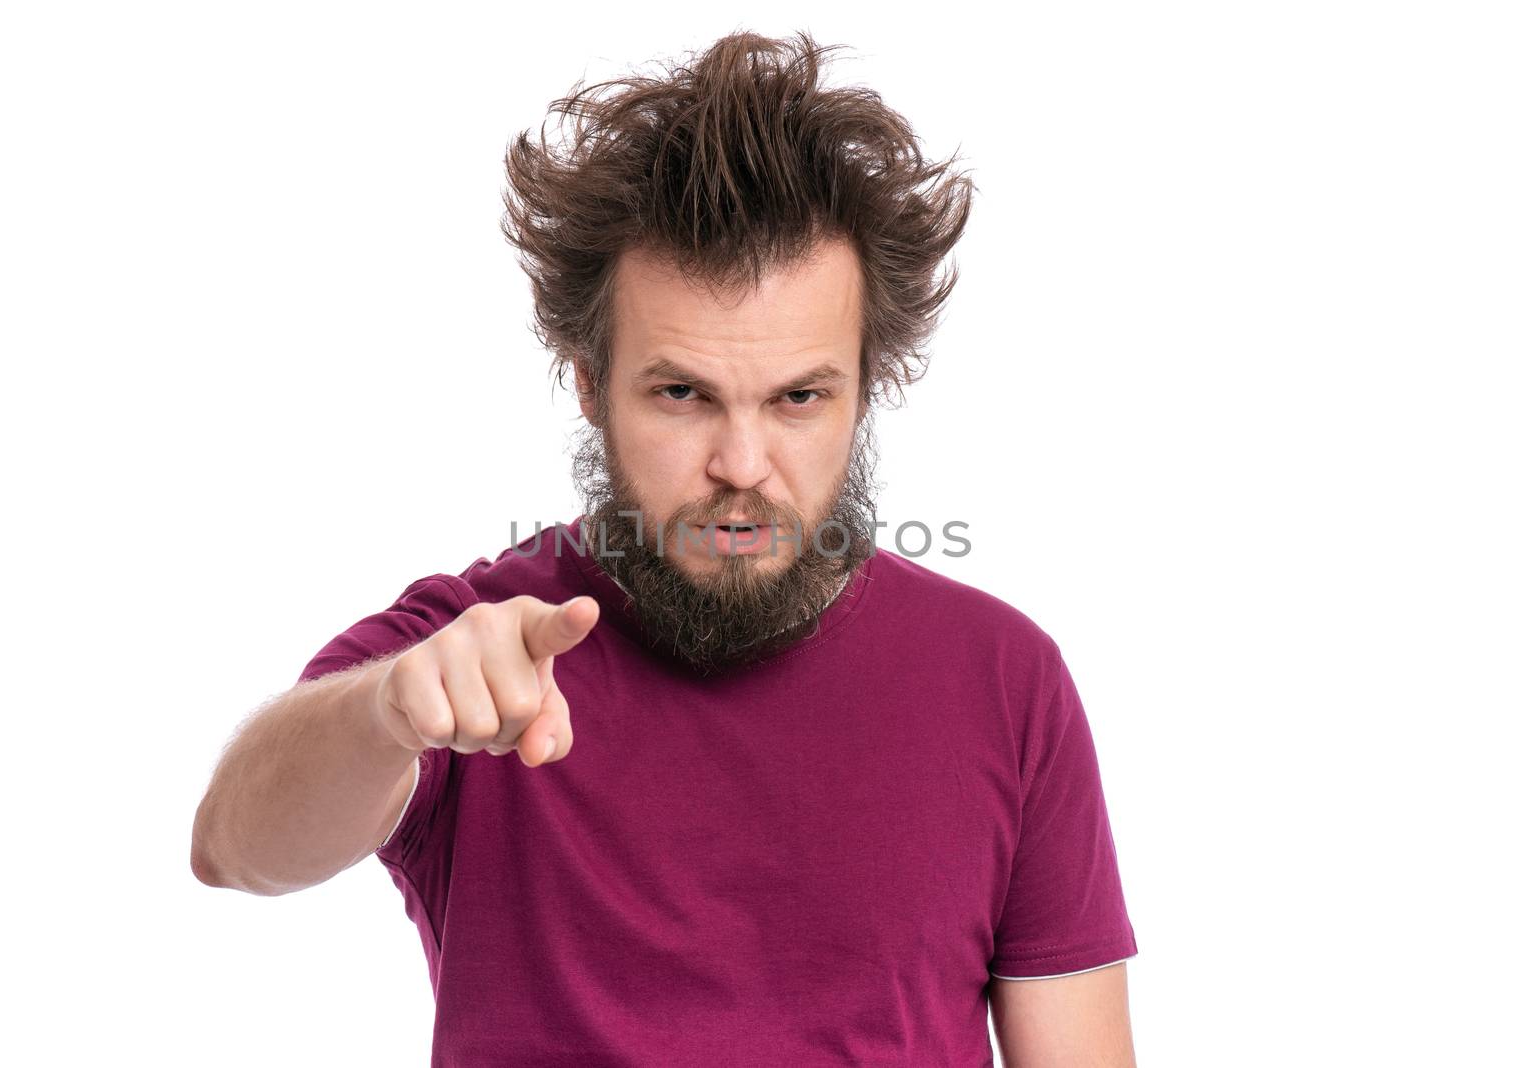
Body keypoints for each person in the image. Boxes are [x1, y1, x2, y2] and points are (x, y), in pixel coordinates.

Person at [191, 29, 1139, 1067]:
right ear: (591, 382)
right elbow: (236, 847)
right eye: (681, 394)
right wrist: (384, 714)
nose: (741, 463)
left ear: (866, 388)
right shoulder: (475, 652)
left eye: (799, 398)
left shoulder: (1005, 679)